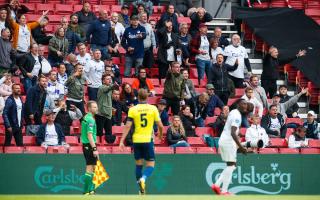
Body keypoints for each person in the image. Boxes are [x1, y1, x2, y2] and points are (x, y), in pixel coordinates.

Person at [119, 89, 164, 195]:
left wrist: (121, 140)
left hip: (136, 140)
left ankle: (141, 190)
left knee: (138, 165)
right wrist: (160, 135)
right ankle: (143, 178)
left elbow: (128, 126)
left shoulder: (133, 109)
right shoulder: (153, 108)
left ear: (138, 97)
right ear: (147, 97)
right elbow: (161, 126)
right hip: (148, 140)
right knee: (151, 164)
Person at [211, 99, 248, 195]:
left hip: (224, 140)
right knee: (232, 166)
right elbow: (232, 132)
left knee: (231, 165)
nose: (245, 106)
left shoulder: (233, 112)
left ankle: (224, 191)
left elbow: (231, 128)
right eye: (243, 104)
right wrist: (241, 147)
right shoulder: (237, 115)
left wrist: (238, 133)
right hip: (228, 141)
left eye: (246, 104)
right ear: (238, 105)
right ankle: (217, 185)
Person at [81, 101, 99, 195]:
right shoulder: (91, 120)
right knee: (89, 168)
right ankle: (85, 191)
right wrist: (95, 149)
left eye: (96, 107)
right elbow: (89, 135)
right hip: (89, 145)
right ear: (89, 108)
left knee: (94, 167)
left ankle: (91, 189)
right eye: (94, 107)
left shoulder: (86, 117)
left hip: (86, 145)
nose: (96, 108)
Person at [96, 74, 116, 143]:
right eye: (107, 79)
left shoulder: (110, 89)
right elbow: (107, 88)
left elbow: (108, 100)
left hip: (108, 114)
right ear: (103, 81)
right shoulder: (101, 88)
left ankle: (108, 149)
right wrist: (113, 85)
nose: (110, 80)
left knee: (109, 134)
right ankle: (98, 147)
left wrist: (111, 107)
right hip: (101, 114)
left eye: (110, 78)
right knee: (99, 134)